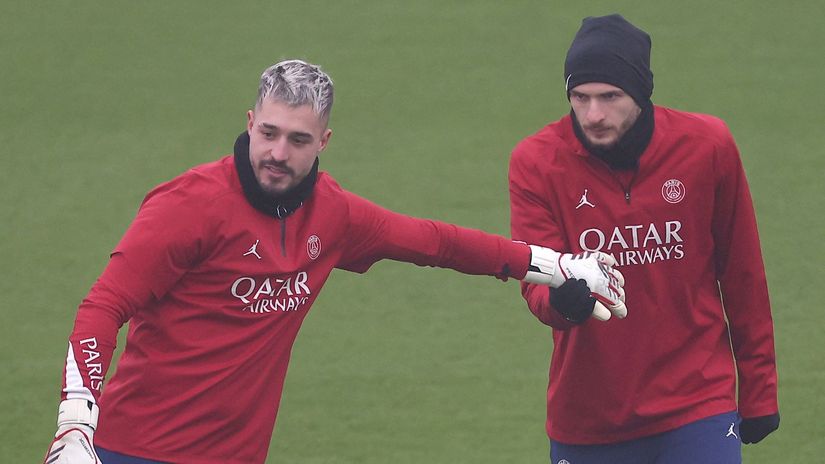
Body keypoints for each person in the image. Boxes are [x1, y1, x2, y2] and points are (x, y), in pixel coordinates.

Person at [43, 59, 628, 464]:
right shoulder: (188, 207)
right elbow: (104, 305)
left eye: (298, 140)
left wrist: (557, 266)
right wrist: (77, 420)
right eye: (267, 133)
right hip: (130, 451)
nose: (276, 153)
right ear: (249, 124)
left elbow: (436, 243)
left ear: (323, 141)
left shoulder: (335, 215)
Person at [508, 14, 779, 464]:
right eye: (580, 97)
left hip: (698, 404)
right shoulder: (536, 162)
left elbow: (743, 274)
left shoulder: (707, 146)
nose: (593, 114)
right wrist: (563, 303)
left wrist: (760, 392)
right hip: (589, 418)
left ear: (641, 92)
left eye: (610, 97)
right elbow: (535, 280)